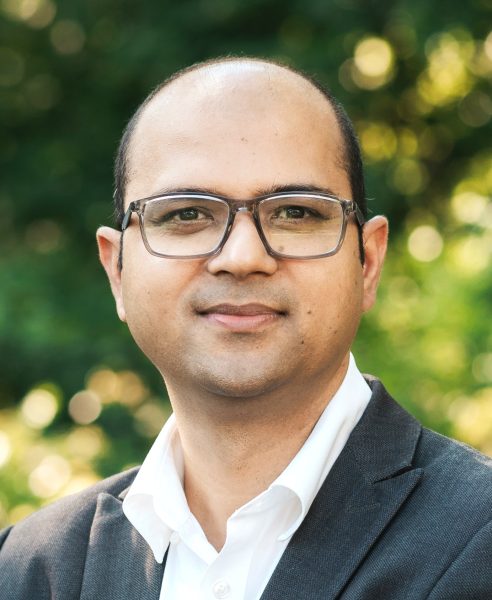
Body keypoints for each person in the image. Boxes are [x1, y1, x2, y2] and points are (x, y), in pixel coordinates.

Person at [0, 57, 491, 600]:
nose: (241, 257)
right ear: (117, 270)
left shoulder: (478, 539)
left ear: (367, 262)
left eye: (296, 213)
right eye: (186, 214)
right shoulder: (29, 570)